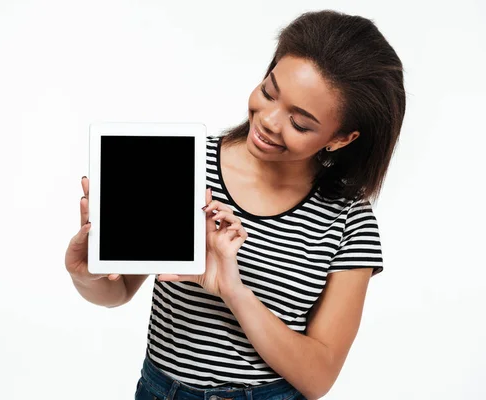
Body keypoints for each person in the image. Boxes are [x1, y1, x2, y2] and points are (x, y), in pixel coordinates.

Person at [65, 9, 405, 400]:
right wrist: (86, 273)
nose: (270, 122)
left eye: (300, 123)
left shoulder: (349, 220)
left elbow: (319, 377)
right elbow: (119, 290)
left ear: (342, 138)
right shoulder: (184, 166)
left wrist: (233, 289)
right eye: (269, 91)